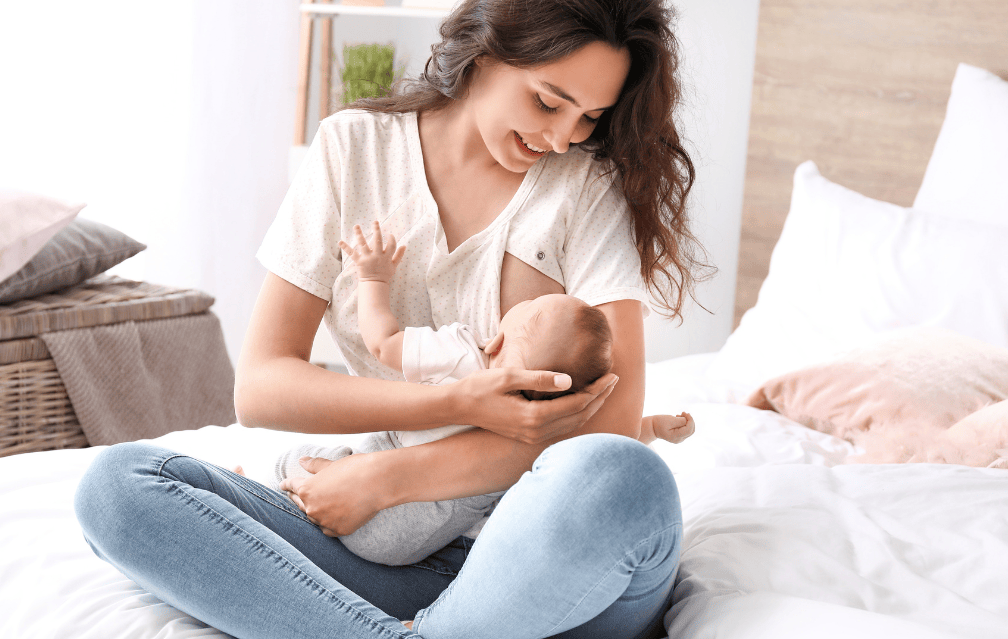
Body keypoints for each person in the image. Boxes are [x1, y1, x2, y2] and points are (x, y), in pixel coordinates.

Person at [75, 0, 710, 638]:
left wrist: (388, 479)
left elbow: (613, 428)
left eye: (589, 117)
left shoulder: (584, 190)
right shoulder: (353, 150)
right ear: (488, 47)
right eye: (547, 101)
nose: (563, 137)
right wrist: (454, 400)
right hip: (383, 550)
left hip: (543, 555)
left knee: (620, 480)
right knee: (120, 489)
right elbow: (261, 388)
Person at [243, 222, 696, 567]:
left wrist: (373, 279)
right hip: (434, 541)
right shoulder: (549, 422)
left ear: (497, 342)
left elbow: (382, 342)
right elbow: (602, 446)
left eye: (534, 306)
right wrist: (654, 426)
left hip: (380, 495)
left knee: (299, 459)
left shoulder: (463, 353)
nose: (532, 299)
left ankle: (265, 489)